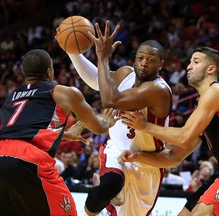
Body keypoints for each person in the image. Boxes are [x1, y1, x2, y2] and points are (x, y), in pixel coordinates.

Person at [119, 47, 219, 216]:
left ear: (211, 69)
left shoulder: (218, 90)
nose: (189, 66)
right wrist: (137, 156)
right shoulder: (203, 110)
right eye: (189, 62)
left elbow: (183, 136)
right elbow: (173, 157)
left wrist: (145, 126)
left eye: (196, 61)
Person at [0, 49, 116, 216]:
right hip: (24, 159)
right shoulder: (63, 92)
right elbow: (98, 127)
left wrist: (64, 134)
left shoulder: (13, 96)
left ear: (25, 73)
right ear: (50, 71)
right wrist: (107, 121)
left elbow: (15, 134)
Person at [66, 21, 172, 215]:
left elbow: (110, 100)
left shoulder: (158, 90)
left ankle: (109, 194)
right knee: (111, 185)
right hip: (117, 150)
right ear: (135, 59)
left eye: (151, 59)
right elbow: (97, 80)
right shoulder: (126, 74)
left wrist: (103, 56)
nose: (144, 62)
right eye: (141, 57)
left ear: (161, 64)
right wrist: (72, 51)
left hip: (147, 163)